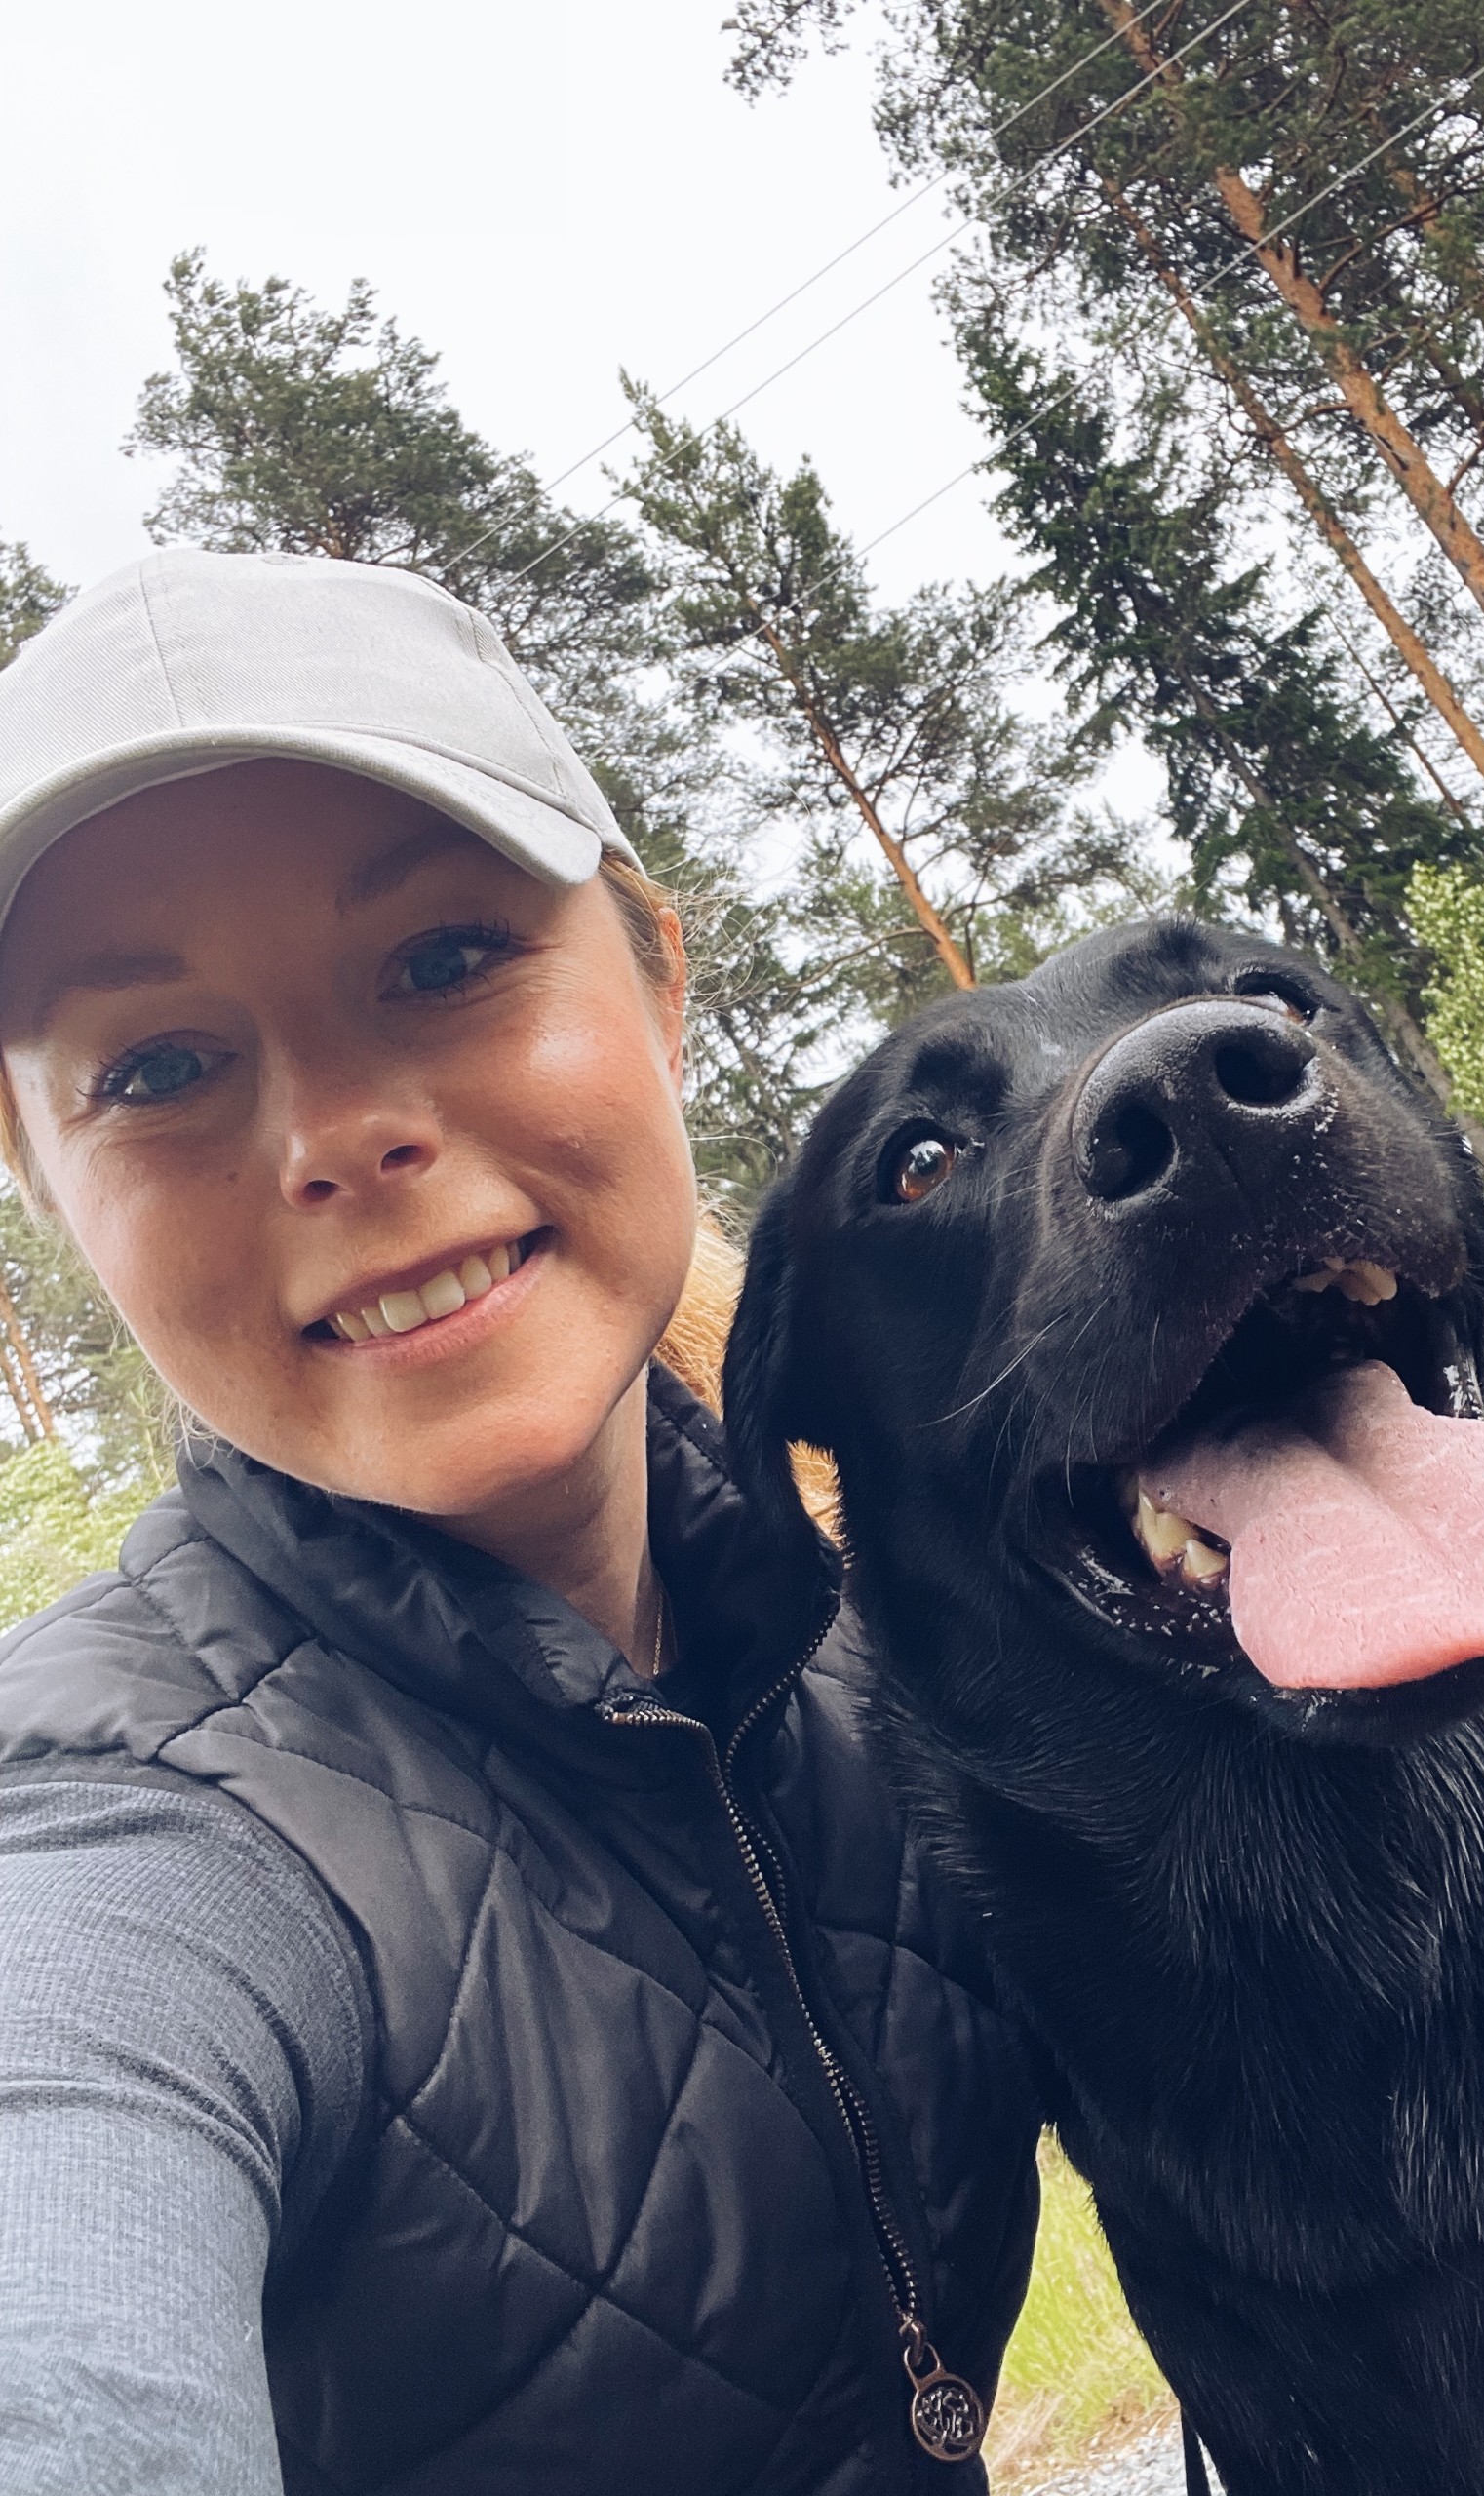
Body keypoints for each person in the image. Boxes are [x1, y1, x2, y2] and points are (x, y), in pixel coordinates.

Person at [0, 550, 1040, 2496]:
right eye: (156, 1067)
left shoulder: (879, 1610)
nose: (333, 1133)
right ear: (48, 1185)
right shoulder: (120, 1838)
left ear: (658, 975)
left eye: (443, 957)